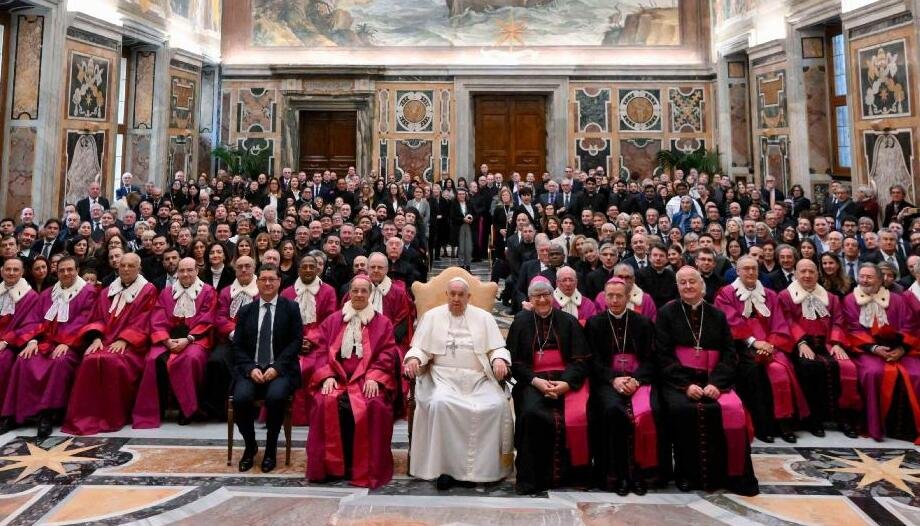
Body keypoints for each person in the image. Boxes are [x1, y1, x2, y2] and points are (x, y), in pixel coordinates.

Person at [657, 266, 759, 496]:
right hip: (679, 382)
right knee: (682, 410)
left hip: (714, 380)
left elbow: (729, 354)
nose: (688, 286)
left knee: (733, 410)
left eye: (692, 281)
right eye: (682, 282)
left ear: (702, 285)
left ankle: (730, 475)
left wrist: (716, 383)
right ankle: (686, 474)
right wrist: (686, 385)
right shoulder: (666, 313)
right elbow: (663, 355)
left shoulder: (717, 315)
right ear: (677, 287)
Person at [306, 275, 398, 488]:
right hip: (337, 379)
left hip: (366, 379)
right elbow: (321, 350)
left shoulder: (382, 323)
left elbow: (387, 353)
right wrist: (327, 375)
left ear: (370, 294)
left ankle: (363, 468)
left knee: (374, 405)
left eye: (364, 291)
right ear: (349, 293)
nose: (359, 294)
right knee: (323, 402)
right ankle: (330, 468)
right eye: (355, 290)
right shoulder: (333, 321)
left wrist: (375, 376)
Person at [508, 276, 590, 495]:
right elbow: (515, 363)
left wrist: (565, 384)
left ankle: (572, 476)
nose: (542, 300)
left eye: (546, 295)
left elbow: (580, 360)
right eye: (537, 296)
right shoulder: (520, 323)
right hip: (533, 381)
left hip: (566, 381)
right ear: (530, 299)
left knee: (579, 416)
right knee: (531, 414)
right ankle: (533, 479)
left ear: (553, 296)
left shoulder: (568, 321)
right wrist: (536, 382)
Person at [63, 253, 158, 435]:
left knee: (113, 362)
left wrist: (124, 339)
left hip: (133, 345)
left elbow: (144, 320)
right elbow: (97, 317)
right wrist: (96, 338)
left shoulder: (148, 290)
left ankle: (114, 416)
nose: (126, 269)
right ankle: (87, 416)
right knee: (89, 359)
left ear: (139, 268)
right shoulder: (107, 291)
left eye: (131, 266)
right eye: (123, 265)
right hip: (105, 341)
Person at [0, 256, 95, 437]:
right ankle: (13, 415)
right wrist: (33, 341)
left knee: (59, 362)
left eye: (70, 269)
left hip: (71, 345)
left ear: (77, 270)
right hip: (45, 342)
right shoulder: (48, 294)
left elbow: (85, 320)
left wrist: (67, 342)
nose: (66, 273)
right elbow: (34, 320)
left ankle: (47, 414)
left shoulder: (88, 292)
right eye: (61, 270)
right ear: (56, 272)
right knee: (23, 359)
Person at [716, 255, 806, 443]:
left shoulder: (770, 295)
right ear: (737, 271)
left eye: (754, 269)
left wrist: (770, 344)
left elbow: (779, 323)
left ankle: (784, 423)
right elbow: (731, 322)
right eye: (746, 268)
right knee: (754, 372)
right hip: (741, 346)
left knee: (780, 371)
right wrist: (754, 343)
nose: (750, 272)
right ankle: (762, 426)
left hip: (771, 346)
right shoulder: (726, 294)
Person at [586, 278, 662, 495]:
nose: (614, 300)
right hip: (607, 382)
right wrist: (613, 379)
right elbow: (592, 360)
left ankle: (640, 475)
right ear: (604, 297)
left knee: (649, 412)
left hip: (639, 380)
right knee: (612, 410)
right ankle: (617, 475)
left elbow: (652, 359)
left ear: (628, 297)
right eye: (610, 296)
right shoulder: (595, 323)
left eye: (619, 296)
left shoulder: (643, 323)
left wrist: (636, 379)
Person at [231, 264, 303, 473]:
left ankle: (271, 449)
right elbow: (237, 346)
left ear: (279, 282)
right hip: (251, 368)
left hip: (280, 369)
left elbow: (296, 342)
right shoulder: (246, 311)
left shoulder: (291, 308)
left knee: (276, 398)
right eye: (263, 279)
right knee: (241, 399)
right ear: (258, 282)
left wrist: (277, 368)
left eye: (272, 279)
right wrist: (250, 368)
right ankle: (250, 446)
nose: (268, 283)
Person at [777, 259, 861, 438]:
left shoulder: (831, 297)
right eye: (803, 271)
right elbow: (787, 321)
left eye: (811, 272)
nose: (807, 275)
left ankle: (844, 418)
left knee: (847, 367)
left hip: (828, 343)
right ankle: (813, 419)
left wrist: (837, 343)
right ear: (796, 274)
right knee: (809, 367)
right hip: (800, 345)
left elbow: (839, 321)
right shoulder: (785, 296)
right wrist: (801, 342)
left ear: (817, 274)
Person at [132, 258, 217, 428]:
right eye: (182, 270)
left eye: (189, 270)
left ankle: (187, 410)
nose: (185, 274)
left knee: (190, 359)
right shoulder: (166, 293)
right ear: (177, 272)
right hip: (168, 339)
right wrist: (166, 340)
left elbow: (207, 319)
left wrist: (188, 339)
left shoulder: (208, 291)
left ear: (197, 271)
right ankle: (158, 409)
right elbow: (158, 318)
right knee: (152, 360)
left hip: (195, 339)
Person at [842, 263, 918, 442]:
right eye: (862, 276)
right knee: (873, 373)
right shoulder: (850, 300)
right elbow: (852, 329)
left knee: (916, 374)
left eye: (869, 277)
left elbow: (910, 325)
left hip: (898, 350)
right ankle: (875, 425)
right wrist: (874, 348)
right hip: (866, 350)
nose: (864, 280)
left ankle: (909, 428)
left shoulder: (897, 299)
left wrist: (902, 349)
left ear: (880, 279)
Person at [281, 254, 337, 425]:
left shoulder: (328, 291)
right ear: (298, 269)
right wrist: (297, 342)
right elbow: (283, 324)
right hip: (292, 343)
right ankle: (290, 415)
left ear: (317, 269)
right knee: (290, 366)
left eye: (311, 267)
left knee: (315, 367)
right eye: (304, 267)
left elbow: (330, 321)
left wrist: (311, 339)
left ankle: (315, 415)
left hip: (320, 343)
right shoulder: (287, 293)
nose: (307, 270)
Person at [205, 256, 259, 418]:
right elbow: (220, 316)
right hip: (230, 339)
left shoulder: (262, 289)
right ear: (235, 270)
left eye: (247, 266)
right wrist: (233, 333)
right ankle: (219, 410)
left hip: (255, 342)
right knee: (216, 361)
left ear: (254, 268)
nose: (244, 270)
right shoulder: (226, 291)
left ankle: (249, 408)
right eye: (240, 267)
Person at [0, 258, 43, 432]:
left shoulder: (30, 296)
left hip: (15, 343)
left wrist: (6, 341)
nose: (11, 273)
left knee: (2, 361)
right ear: (2, 271)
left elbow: (31, 324)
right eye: (8, 269)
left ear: (22, 272)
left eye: (15, 270)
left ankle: (5, 414)